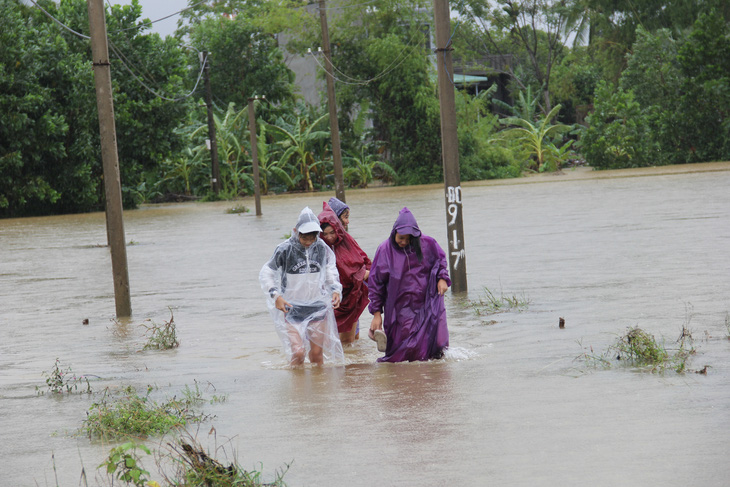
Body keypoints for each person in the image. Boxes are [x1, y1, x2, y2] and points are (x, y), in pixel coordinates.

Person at [259, 207, 344, 366]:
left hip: (317, 306)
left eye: (313, 236)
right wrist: (275, 295)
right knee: (298, 352)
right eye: (305, 237)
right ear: (296, 231)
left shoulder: (321, 248)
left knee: (317, 355)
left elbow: (330, 270)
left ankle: (318, 389)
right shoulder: (284, 249)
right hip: (292, 307)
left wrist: (335, 290)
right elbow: (267, 272)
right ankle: (297, 389)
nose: (309, 241)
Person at [367, 207, 451, 362]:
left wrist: (442, 278)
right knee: (401, 352)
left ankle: (424, 381)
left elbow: (440, 262)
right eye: (401, 238)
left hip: (425, 304)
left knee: (432, 349)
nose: (404, 242)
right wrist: (377, 314)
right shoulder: (385, 250)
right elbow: (376, 284)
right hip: (398, 309)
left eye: (409, 238)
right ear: (394, 233)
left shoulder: (428, 243)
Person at [318, 202, 371, 344]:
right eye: (345, 217)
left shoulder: (346, 240)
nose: (347, 221)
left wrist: (367, 274)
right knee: (330, 340)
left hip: (352, 296)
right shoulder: (320, 247)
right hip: (332, 299)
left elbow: (362, 260)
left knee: (351, 340)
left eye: (332, 233)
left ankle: (350, 364)